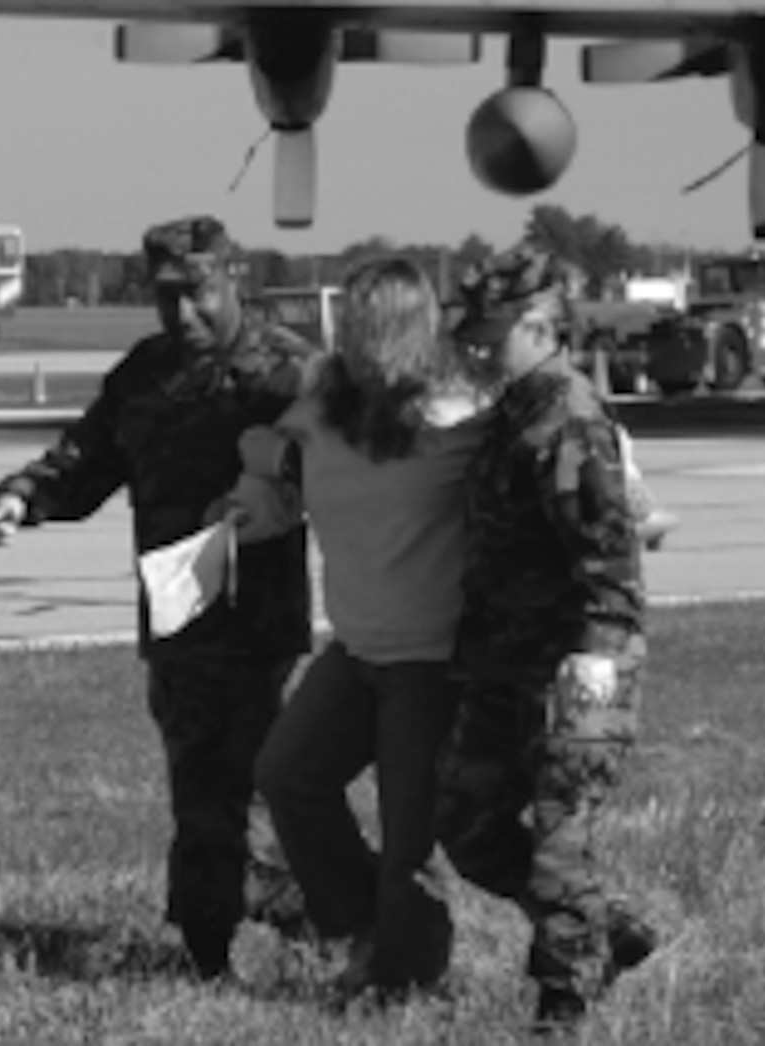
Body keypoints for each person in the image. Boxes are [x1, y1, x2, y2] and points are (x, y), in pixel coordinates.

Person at [0, 215, 318, 981]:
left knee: (272, 785)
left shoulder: (289, 373)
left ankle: (322, 916)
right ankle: (209, 947)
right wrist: (20, 498)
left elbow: (360, 471)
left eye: (198, 294)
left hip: (260, 619)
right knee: (202, 784)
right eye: (167, 298)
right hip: (178, 621)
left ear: (234, 280)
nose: (183, 314)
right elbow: (86, 460)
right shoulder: (144, 374)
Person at [231, 257, 488, 1002]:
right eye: (355, 322)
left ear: (416, 330)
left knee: (412, 842)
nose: (363, 341)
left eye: (381, 325)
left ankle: (407, 984)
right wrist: (247, 508)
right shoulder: (322, 409)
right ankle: (362, 930)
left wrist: (628, 509)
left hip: (432, 661)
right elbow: (276, 474)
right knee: (288, 775)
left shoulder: (460, 418)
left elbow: (561, 448)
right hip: (356, 649)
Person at [434, 245, 661, 1034]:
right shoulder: (514, 414)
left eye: (491, 332)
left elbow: (612, 560)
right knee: (465, 824)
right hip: (503, 664)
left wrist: (594, 670)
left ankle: (564, 1004)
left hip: (582, 663)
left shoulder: (570, 418)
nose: (476, 347)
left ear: (539, 325)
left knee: (562, 841)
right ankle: (606, 928)